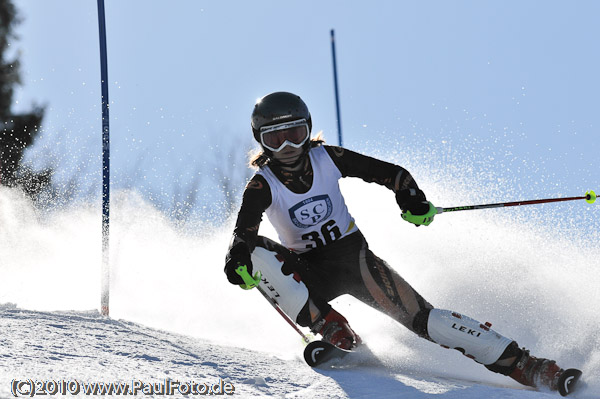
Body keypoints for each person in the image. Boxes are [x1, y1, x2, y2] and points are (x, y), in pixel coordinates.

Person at [224, 91, 579, 395]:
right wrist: (236, 262)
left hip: (354, 260)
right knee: (252, 253)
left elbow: (394, 174)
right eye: (275, 139)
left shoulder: (328, 158)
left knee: (427, 321)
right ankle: (330, 326)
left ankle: (529, 366)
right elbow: (243, 233)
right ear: (260, 141)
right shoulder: (262, 184)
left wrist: (410, 198)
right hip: (307, 272)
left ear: (308, 132)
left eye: (295, 134)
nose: (287, 147)